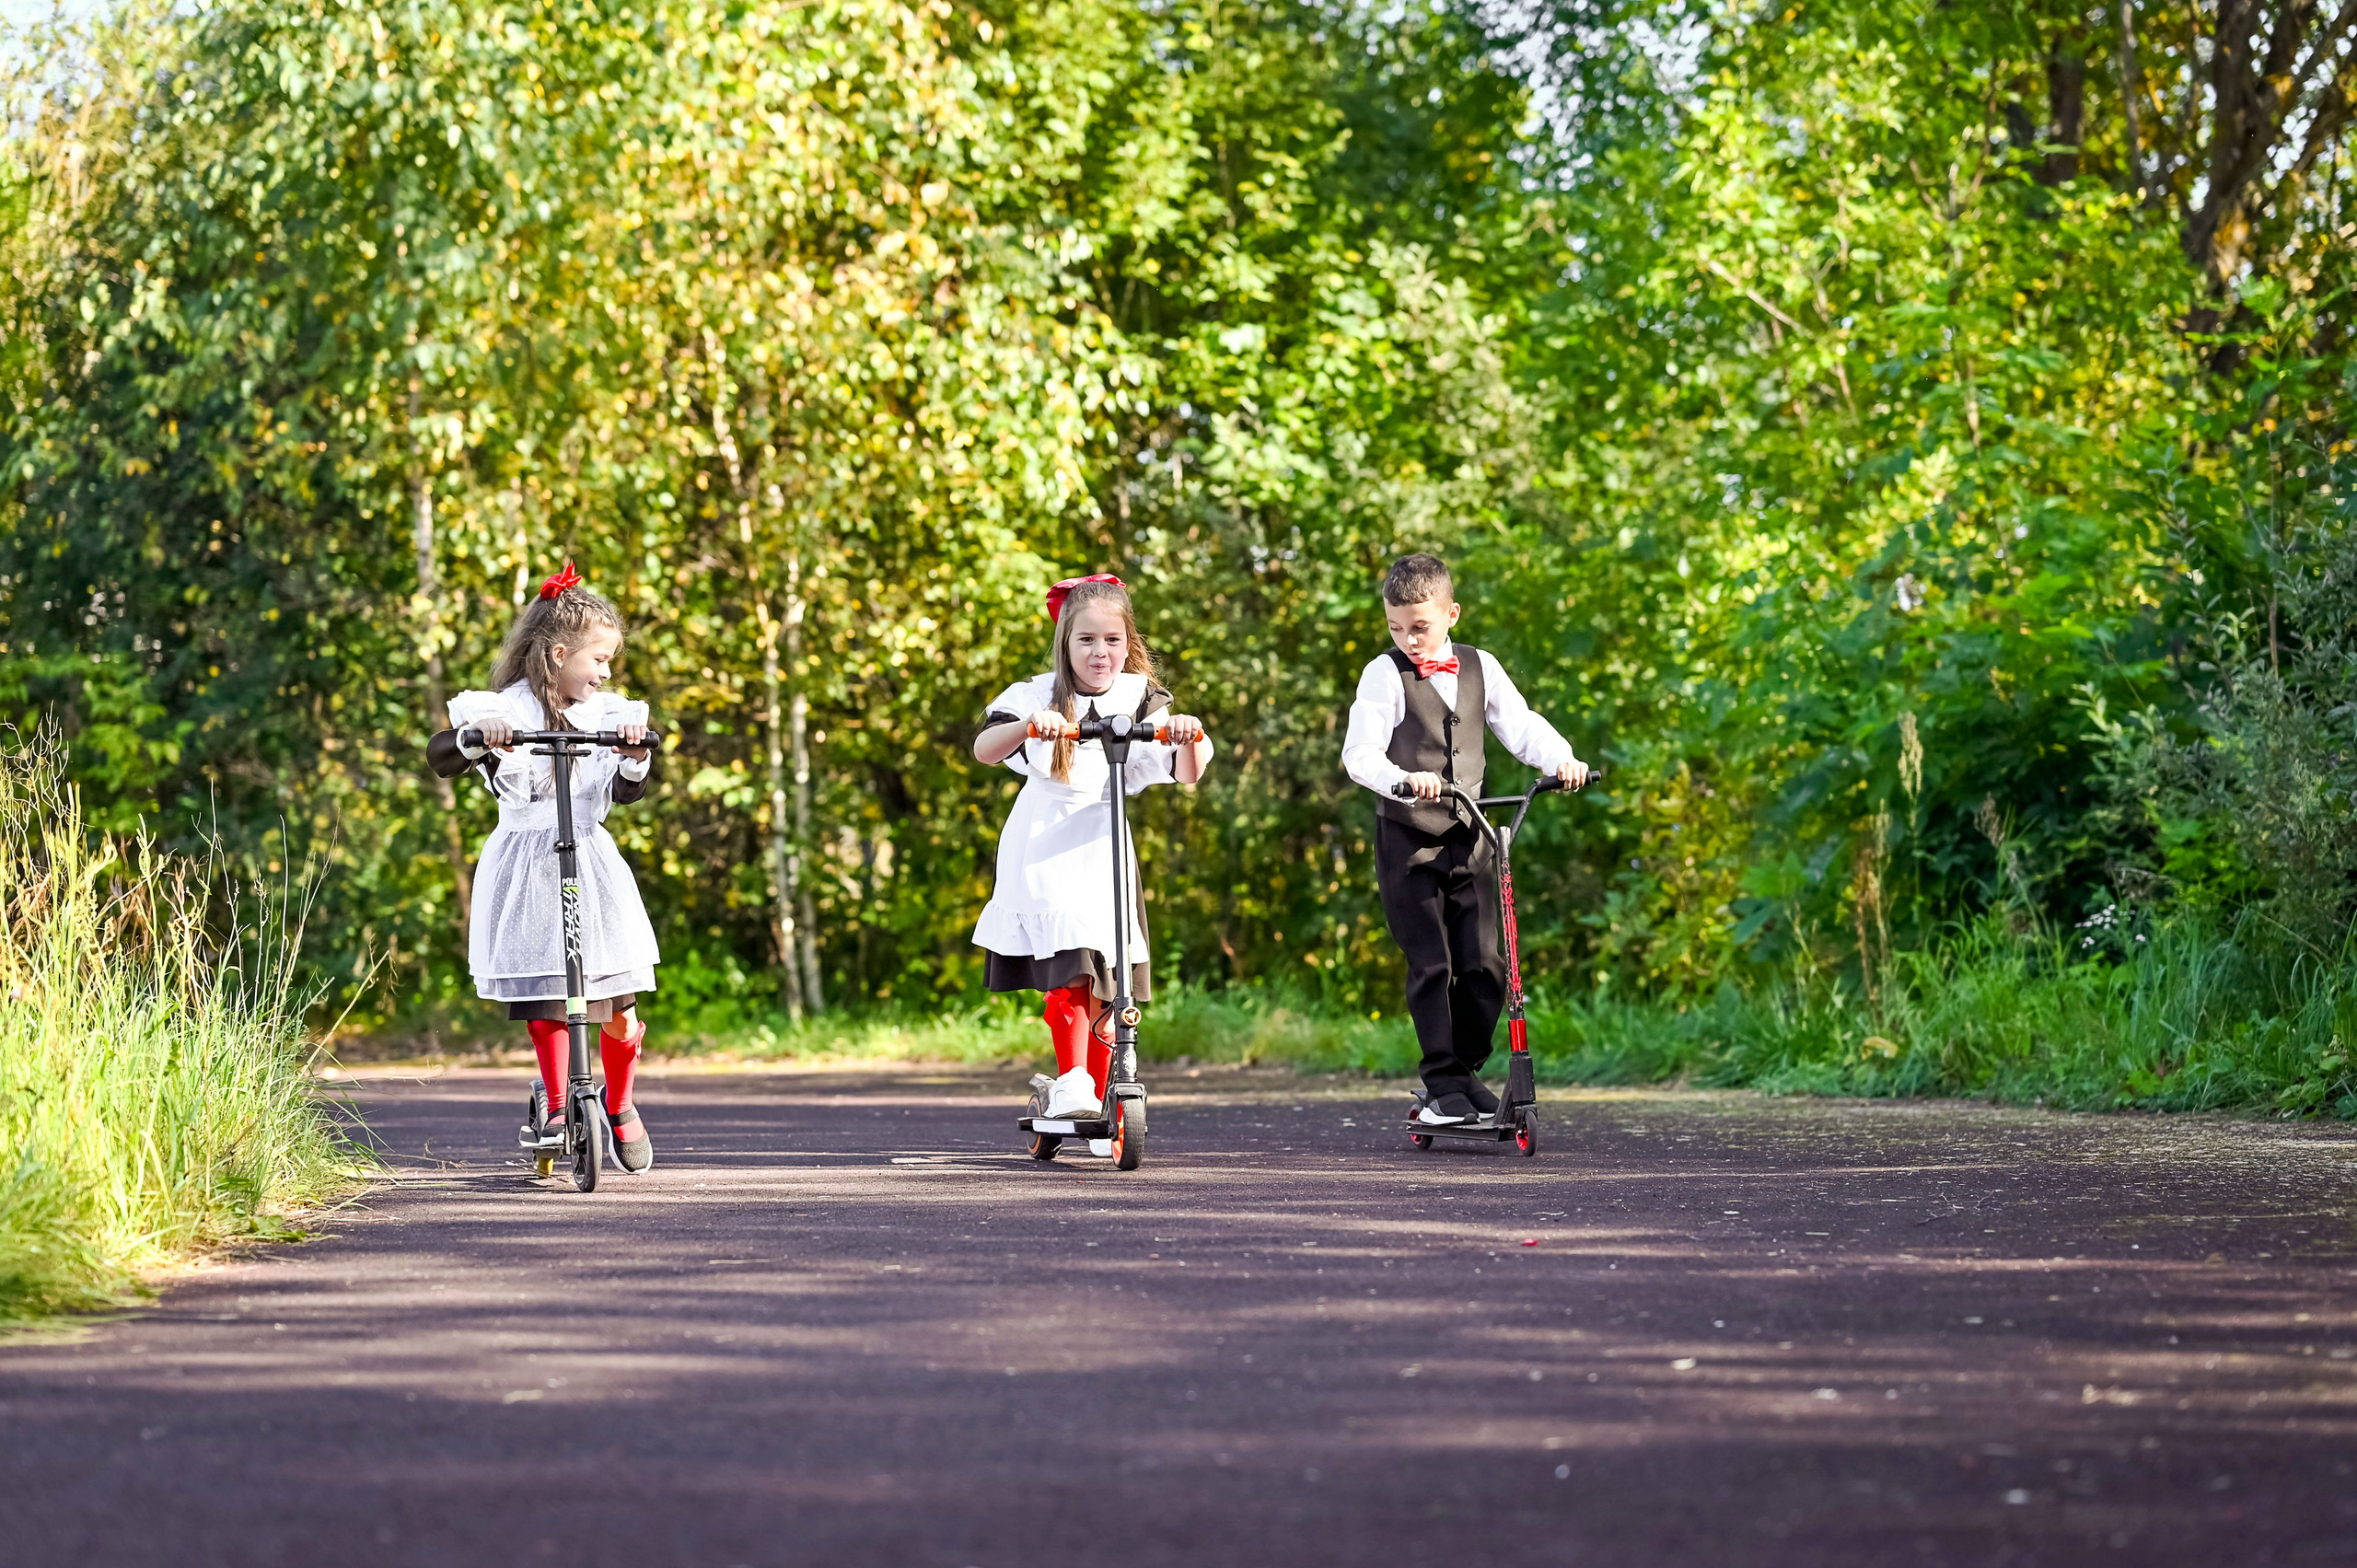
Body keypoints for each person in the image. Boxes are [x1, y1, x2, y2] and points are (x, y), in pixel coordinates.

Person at [426, 560, 662, 1172]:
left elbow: (629, 789)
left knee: (616, 998)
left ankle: (621, 1100)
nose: (606, 672)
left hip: (590, 857)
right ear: (558, 653)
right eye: (598, 659)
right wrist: (481, 735)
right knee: (551, 992)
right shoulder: (503, 708)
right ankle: (557, 1104)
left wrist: (635, 753)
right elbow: (442, 754)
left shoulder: (608, 714)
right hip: (528, 862)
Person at [1341, 553, 1589, 1126]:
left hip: (1472, 836)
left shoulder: (1480, 666)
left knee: (1486, 967)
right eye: (1395, 627)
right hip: (1409, 842)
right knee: (1432, 963)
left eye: (1420, 627)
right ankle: (1441, 1082)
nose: (1408, 640)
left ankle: (1460, 1072)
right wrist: (1402, 780)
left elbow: (1520, 726)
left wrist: (1563, 760)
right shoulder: (1384, 674)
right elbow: (1359, 754)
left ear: (1451, 614)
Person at [971, 575, 1213, 1119]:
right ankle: (1073, 1080)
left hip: (1105, 844)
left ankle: (1100, 1092)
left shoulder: (1140, 696)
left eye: (1112, 640)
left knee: (1112, 975)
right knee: (1072, 963)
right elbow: (986, 749)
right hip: (1045, 844)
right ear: (1065, 642)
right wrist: (1032, 726)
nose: (1100, 653)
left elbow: (1187, 773)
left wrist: (1187, 734)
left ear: (1128, 644)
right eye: (1086, 640)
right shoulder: (1034, 694)